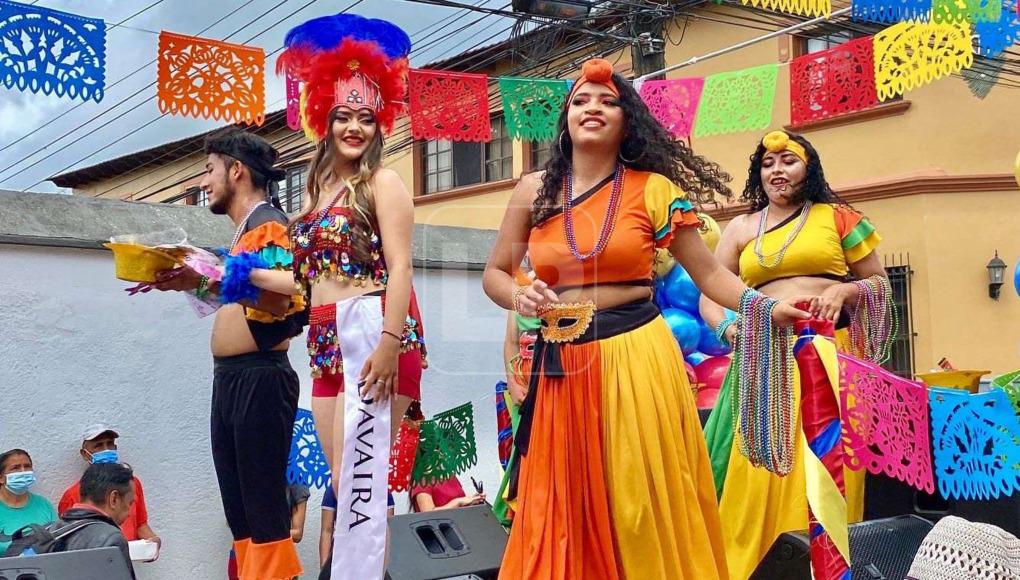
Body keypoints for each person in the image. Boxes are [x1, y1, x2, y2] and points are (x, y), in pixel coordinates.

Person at [482, 58, 809, 579]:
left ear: (627, 120)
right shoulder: (532, 190)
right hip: (562, 365)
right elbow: (496, 274)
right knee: (562, 501)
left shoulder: (653, 189)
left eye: (608, 101)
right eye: (581, 101)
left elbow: (708, 275)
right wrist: (519, 294)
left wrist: (764, 306)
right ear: (565, 119)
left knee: (636, 500)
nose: (593, 108)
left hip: (636, 355)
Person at [700, 130, 892, 579]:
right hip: (764, 360)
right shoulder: (742, 227)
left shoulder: (840, 218)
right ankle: (748, 566)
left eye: (788, 160)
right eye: (767, 164)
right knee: (757, 470)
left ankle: (833, 565)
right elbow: (711, 291)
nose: (777, 170)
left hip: (827, 357)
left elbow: (880, 283)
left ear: (810, 169)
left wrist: (844, 290)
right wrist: (727, 326)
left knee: (830, 465)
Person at [274, 13, 423, 579]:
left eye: (365, 117)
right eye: (343, 116)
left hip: (375, 326)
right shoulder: (315, 196)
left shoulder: (382, 183)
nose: (354, 127)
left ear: (378, 123)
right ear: (324, 119)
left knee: (367, 485)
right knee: (344, 487)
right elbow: (303, 283)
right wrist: (218, 280)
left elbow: (403, 265)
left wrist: (387, 342)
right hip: (325, 335)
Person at [146, 128, 307, 579]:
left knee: (262, 507)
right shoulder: (246, 231)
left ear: (236, 171)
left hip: (260, 376)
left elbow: (282, 300)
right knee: (240, 509)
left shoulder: (267, 224)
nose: (204, 182)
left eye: (209, 169)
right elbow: (244, 296)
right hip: (235, 378)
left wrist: (214, 272)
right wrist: (190, 280)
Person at [58, 425, 157, 545]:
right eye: (98, 445)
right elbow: (70, 536)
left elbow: (141, 524)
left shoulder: (132, 483)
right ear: (85, 454)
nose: (106, 450)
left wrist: (152, 542)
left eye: (110, 444)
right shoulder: (72, 494)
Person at [60, 463, 139, 579]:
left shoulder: (50, 531)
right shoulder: (111, 539)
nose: (129, 512)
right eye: (130, 503)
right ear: (114, 498)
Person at [0, 449, 57, 553]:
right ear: (1, 478)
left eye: (27, 466)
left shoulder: (43, 504)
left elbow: (57, 539)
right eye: (15, 468)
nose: (23, 472)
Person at [411, 477, 485, 512]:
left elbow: (461, 504)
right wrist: (457, 502)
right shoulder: (422, 482)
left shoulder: (450, 476)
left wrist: (473, 500)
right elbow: (428, 514)